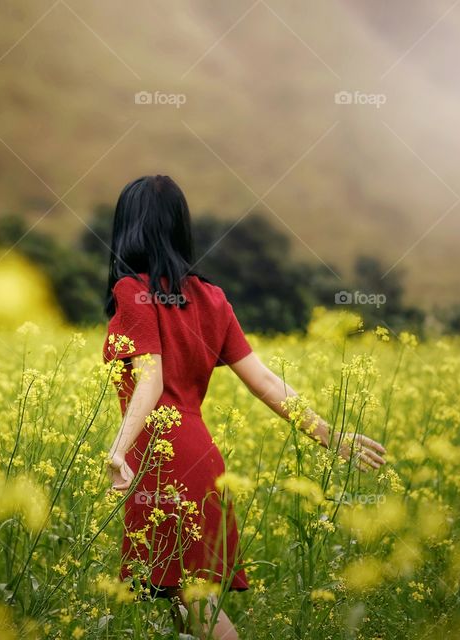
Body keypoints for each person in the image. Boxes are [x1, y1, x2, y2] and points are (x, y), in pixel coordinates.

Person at [102, 175, 387, 639]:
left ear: (128, 228)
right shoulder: (211, 298)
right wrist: (330, 436)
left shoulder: (132, 292)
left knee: (195, 603)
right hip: (202, 460)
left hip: (163, 459)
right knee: (183, 604)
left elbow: (150, 379)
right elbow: (266, 382)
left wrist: (118, 449)